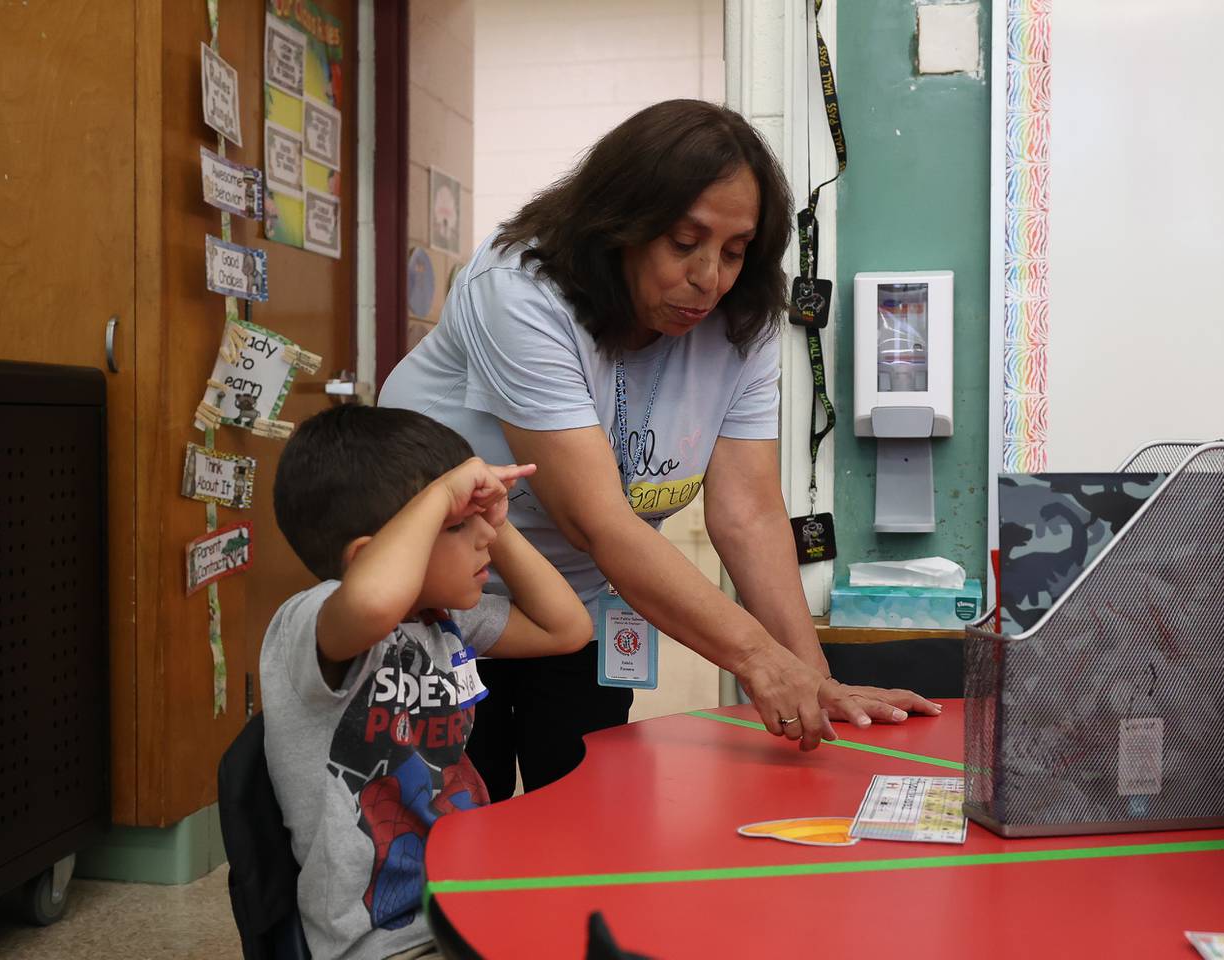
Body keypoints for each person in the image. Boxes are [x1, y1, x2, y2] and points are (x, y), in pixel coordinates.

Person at [380, 98, 938, 803]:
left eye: (735, 251)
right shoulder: (520, 287)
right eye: (684, 242)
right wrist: (759, 660)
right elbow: (597, 519)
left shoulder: (741, 321)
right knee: (452, 824)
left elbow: (748, 513)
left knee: (585, 818)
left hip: (572, 608)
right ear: (619, 226)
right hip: (437, 602)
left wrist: (813, 676)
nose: (710, 278)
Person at [261, 405, 591, 960]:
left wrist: (493, 522)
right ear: (368, 556)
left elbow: (568, 629)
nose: (483, 536)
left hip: (466, 902)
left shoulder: (445, 619)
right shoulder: (314, 618)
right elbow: (372, 600)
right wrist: (440, 497)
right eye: (459, 528)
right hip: (388, 940)